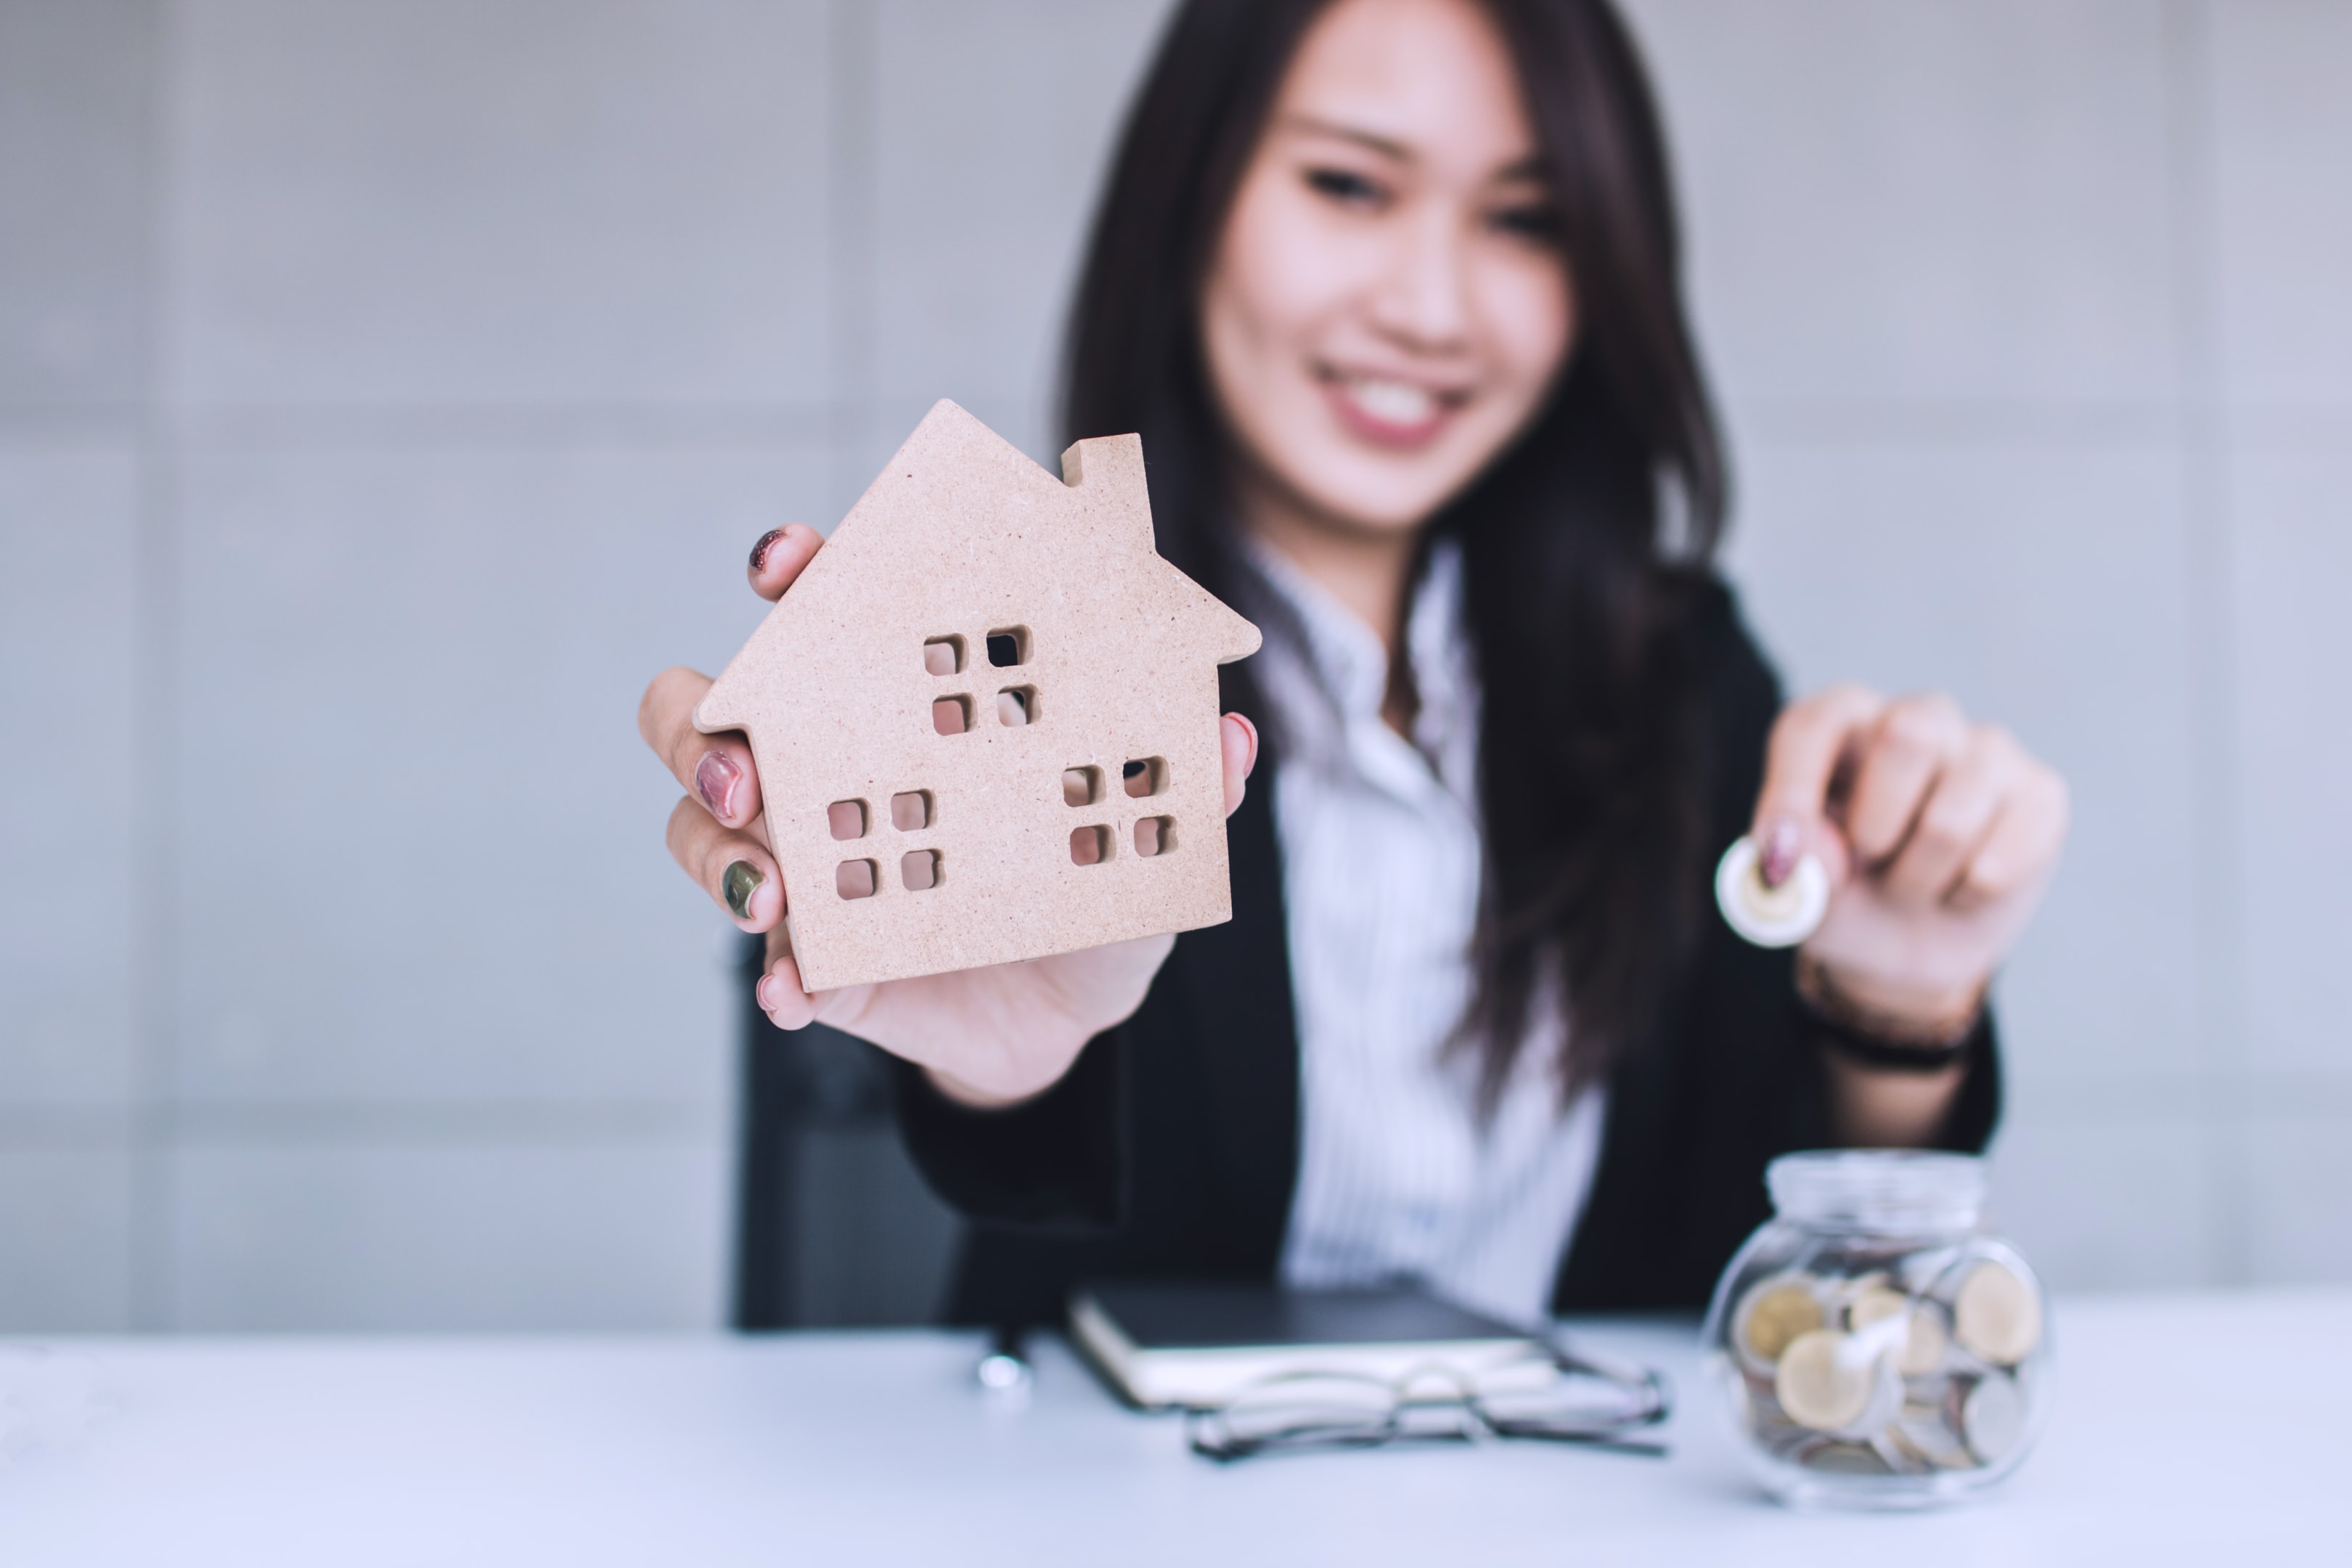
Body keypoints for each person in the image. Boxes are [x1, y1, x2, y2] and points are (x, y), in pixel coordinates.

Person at [638, 0, 2067, 1330]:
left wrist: (1894, 1002)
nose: (1432, 309)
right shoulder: (1003, 690)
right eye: (1349, 187)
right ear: (1192, 194)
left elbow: (1790, 1279)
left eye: (1525, 219)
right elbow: (1038, 1219)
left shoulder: (1681, 683)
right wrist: (1008, 1074)